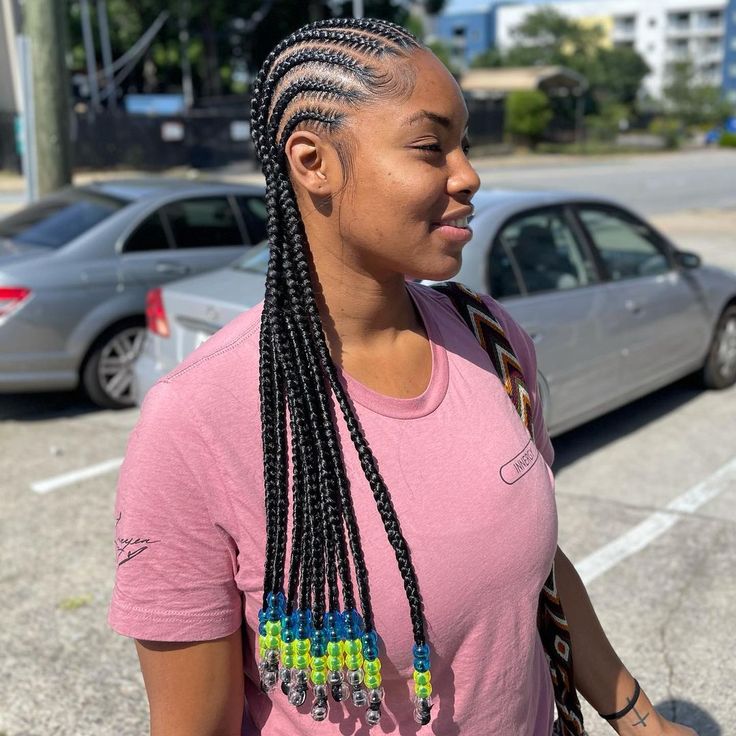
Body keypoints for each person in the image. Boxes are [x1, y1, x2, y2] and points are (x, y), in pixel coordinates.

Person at [109, 17, 699, 736]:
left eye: (466, 144)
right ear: (312, 161)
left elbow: (535, 570)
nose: (468, 174)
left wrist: (639, 719)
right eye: (431, 146)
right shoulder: (196, 419)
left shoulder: (491, 339)